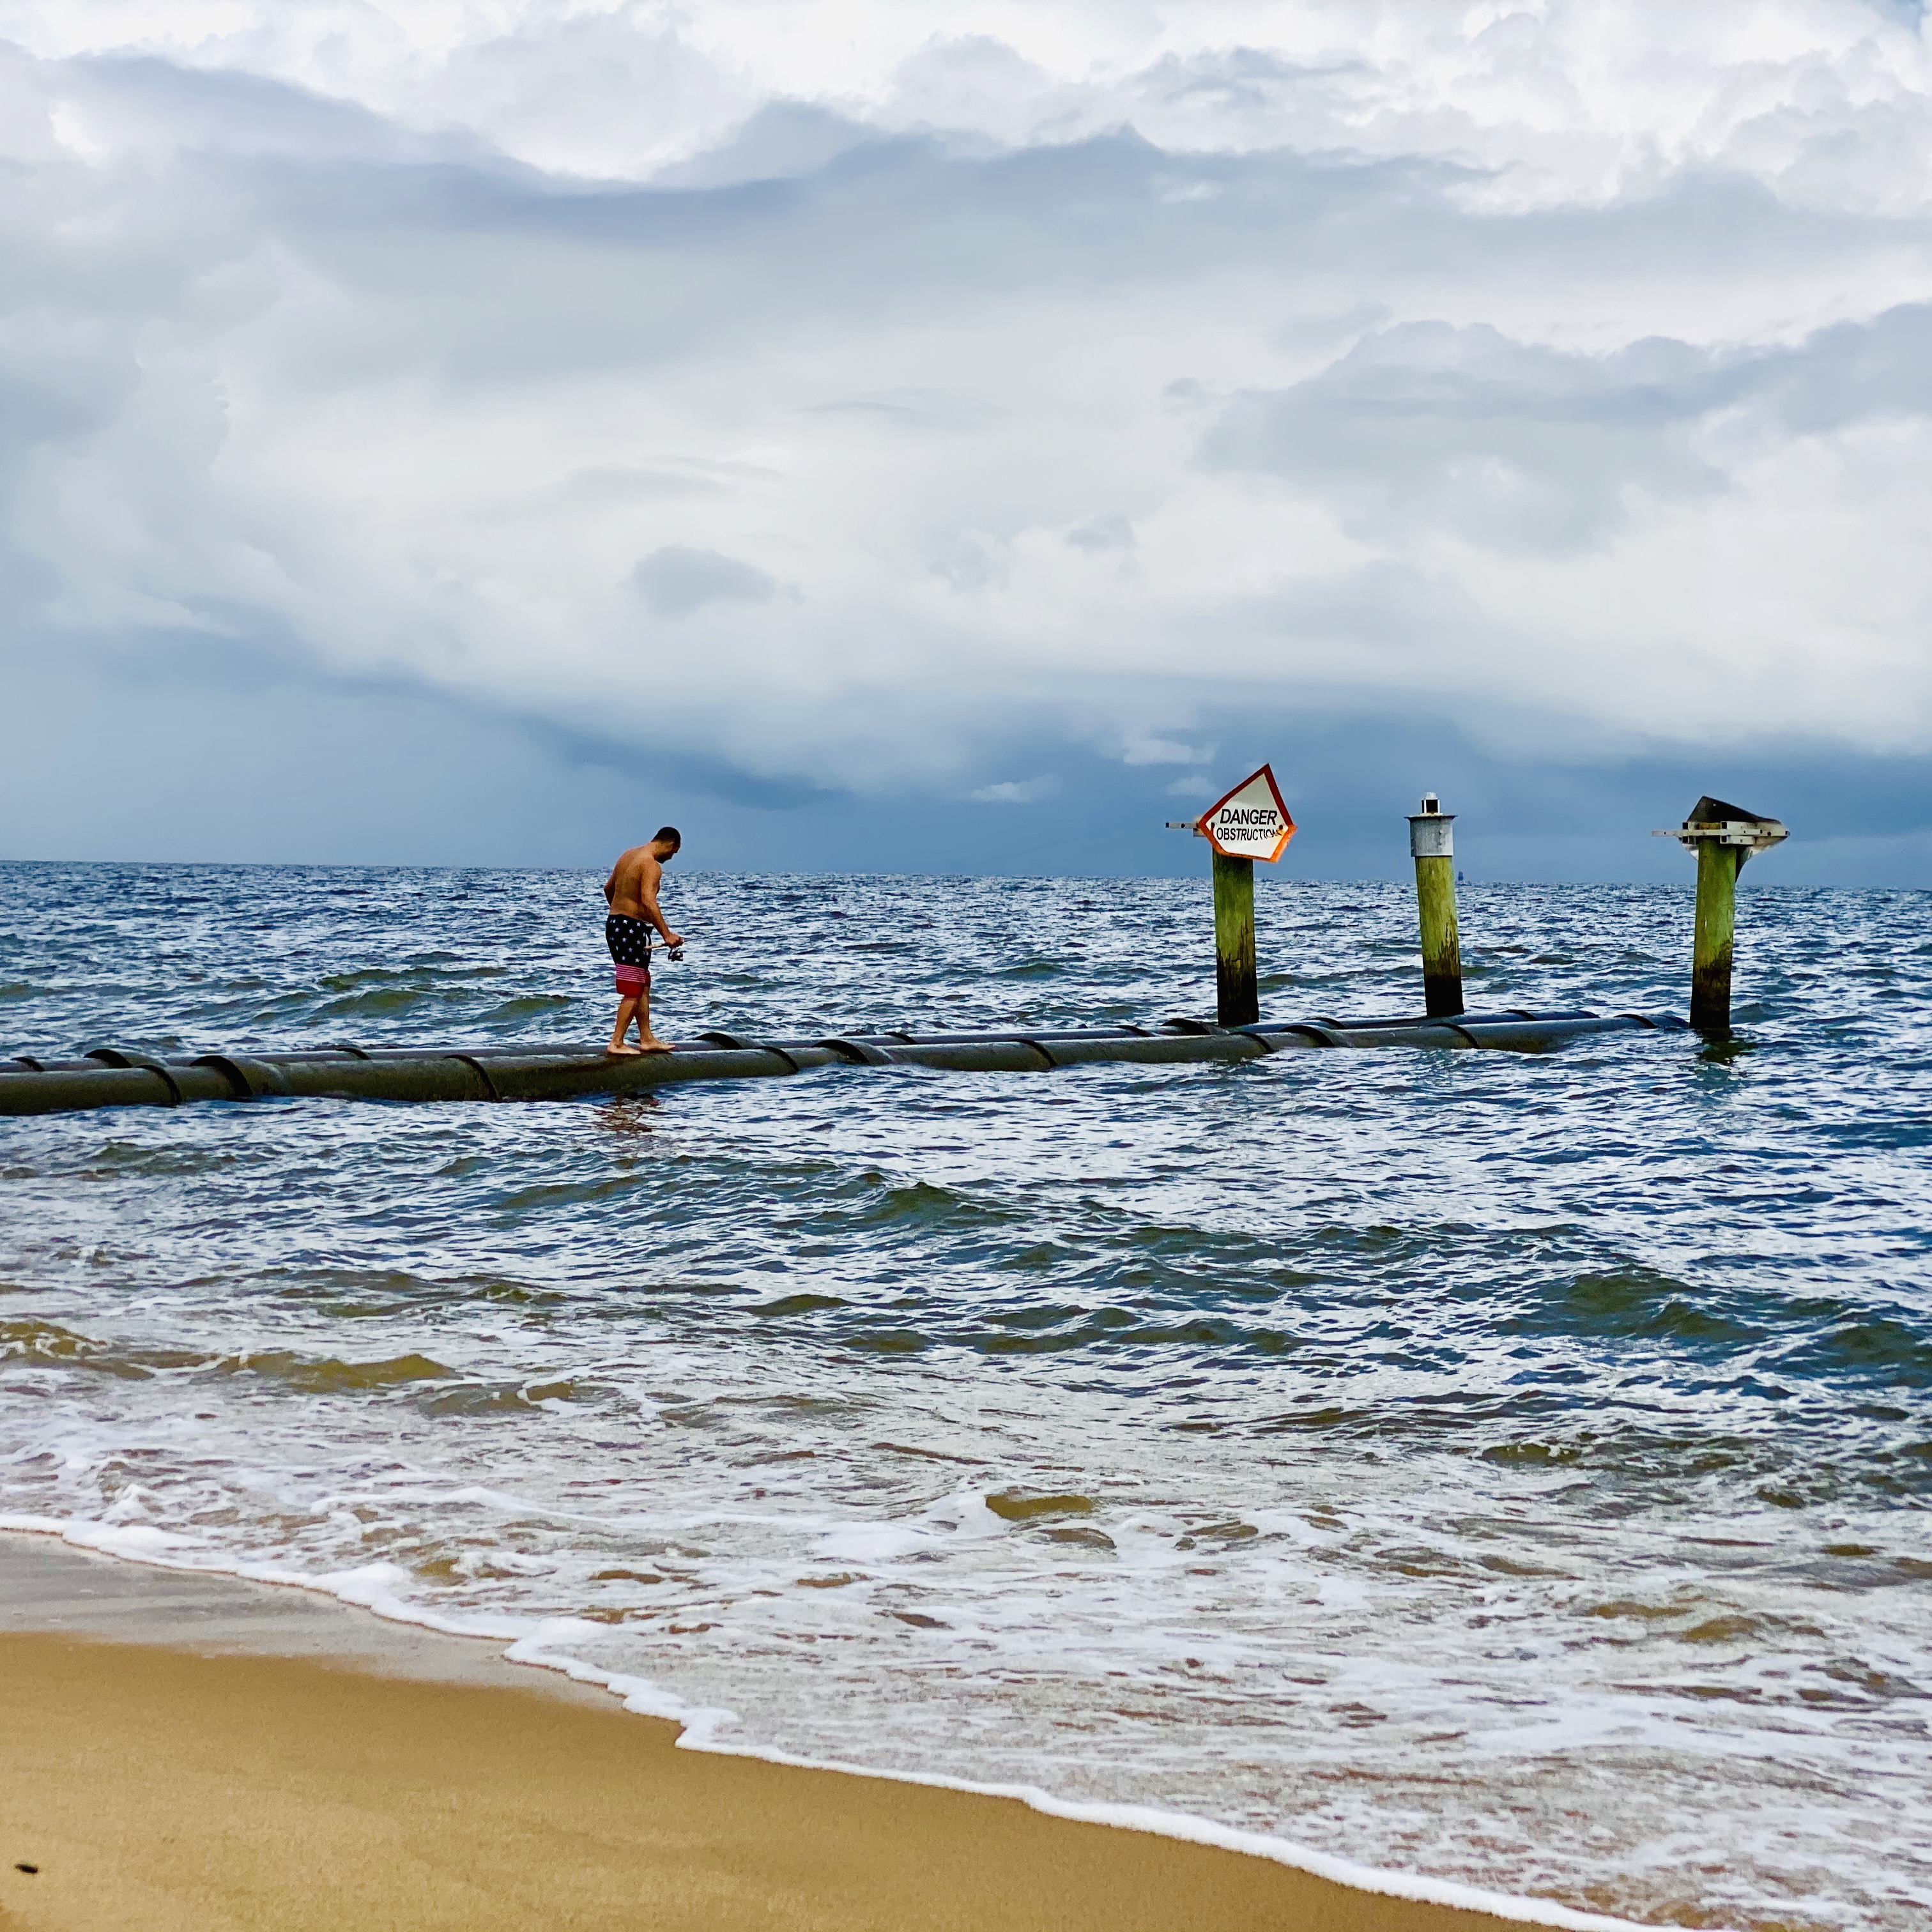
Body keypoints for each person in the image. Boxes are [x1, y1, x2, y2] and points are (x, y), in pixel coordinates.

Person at [602, 827, 684, 1055]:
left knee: (642, 983)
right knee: (634, 987)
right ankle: (616, 1042)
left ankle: (646, 1038)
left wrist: (621, 911)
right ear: (670, 844)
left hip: (615, 924)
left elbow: (609, 889)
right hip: (630, 928)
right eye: (674, 853)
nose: (670, 858)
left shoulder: (628, 855)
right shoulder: (651, 864)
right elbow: (649, 901)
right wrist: (667, 935)